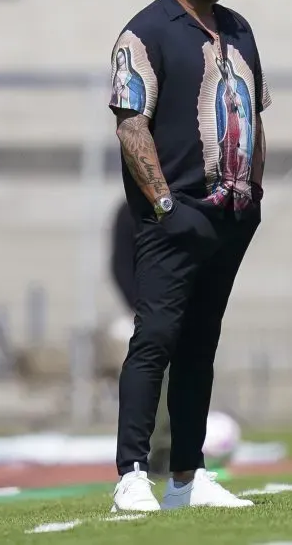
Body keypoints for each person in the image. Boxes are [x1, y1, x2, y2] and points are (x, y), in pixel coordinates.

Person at [108, 0, 270, 512]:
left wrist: (254, 194)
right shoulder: (145, 32)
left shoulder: (240, 29)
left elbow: (255, 113)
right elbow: (131, 126)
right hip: (173, 214)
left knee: (201, 342)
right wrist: (165, 204)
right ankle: (131, 472)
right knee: (155, 339)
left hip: (231, 214)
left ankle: (188, 474)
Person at [109, 198, 172, 478]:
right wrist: (142, 306)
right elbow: (120, 264)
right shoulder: (129, 211)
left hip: (174, 304)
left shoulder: (180, 206)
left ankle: (174, 452)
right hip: (148, 309)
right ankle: (143, 458)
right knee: (150, 373)